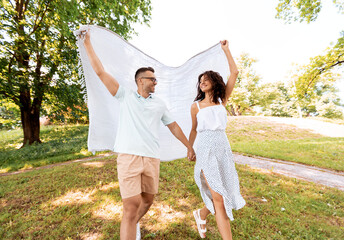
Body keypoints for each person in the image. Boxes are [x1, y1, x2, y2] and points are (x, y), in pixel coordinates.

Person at [80, 29, 196, 240]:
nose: (155, 83)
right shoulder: (125, 96)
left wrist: (189, 146)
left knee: (148, 200)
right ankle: (131, 222)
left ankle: (133, 223)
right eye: (152, 79)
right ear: (140, 80)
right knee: (130, 207)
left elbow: (174, 127)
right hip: (129, 157)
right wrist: (87, 42)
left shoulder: (159, 104)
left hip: (152, 158)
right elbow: (100, 72)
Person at [189, 40, 246, 239]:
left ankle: (202, 212)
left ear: (214, 81)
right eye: (200, 80)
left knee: (224, 193)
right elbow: (194, 130)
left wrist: (226, 50)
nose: (202, 82)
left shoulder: (222, 100)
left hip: (222, 148)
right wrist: (190, 148)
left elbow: (235, 73)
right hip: (205, 149)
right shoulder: (195, 106)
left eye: (206, 79)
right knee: (219, 197)